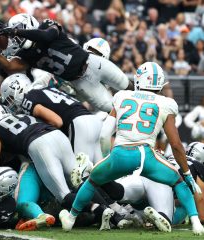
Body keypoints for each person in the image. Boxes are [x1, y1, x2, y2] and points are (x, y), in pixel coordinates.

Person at [59, 62, 204, 235]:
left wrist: (108, 159)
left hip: (120, 153)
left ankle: (71, 218)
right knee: (179, 181)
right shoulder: (166, 103)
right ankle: (196, 223)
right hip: (146, 156)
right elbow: (175, 144)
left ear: (138, 79)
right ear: (159, 84)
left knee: (92, 181)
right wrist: (187, 174)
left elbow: (105, 134)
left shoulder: (122, 96)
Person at [0, 13, 132, 112]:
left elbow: (47, 36)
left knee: (126, 85)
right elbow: (11, 66)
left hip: (93, 63)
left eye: (15, 32)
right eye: (13, 34)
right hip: (80, 82)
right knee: (113, 109)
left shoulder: (46, 25)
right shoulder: (26, 54)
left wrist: (17, 32)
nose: (14, 38)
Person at [0, 73, 101, 165]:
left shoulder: (28, 98)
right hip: (91, 119)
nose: (11, 104)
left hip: (79, 124)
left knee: (80, 173)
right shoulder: (43, 89)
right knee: (100, 172)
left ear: (18, 89)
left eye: (10, 98)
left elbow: (57, 121)